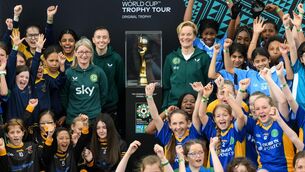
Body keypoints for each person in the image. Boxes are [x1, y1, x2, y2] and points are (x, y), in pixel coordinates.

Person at [146, 82, 202, 169]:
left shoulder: (193, 134)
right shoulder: (167, 136)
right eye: (174, 124)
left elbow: (195, 115)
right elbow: (156, 117)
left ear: (189, 123)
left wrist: (200, 93)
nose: (178, 127)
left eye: (181, 123)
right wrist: (149, 96)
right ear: (169, 125)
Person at [162, 21, 210, 109]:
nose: (185, 37)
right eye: (182, 34)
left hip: (197, 105)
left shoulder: (204, 57)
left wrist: (206, 104)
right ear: (178, 36)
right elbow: (166, 86)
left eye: (189, 34)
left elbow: (208, 85)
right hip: (175, 105)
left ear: (194, 37)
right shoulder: (170, 58)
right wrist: (166, 106)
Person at [198, 82, 246, 169]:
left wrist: (229, 98)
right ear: (214, 119)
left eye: (225, 115)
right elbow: (201, 115)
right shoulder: (213, 130)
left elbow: (241, 116)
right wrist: (205, 96)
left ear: (231, 117)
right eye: (218, 116)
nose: (222, 118)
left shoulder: (235, 129)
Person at [61, 37, 108, 125]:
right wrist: (72, 110)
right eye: (81, 52)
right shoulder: (69, 72)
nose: (84, 55)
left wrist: (94, 110)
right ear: (75, 53)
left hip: (94, 118)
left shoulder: (99, 72)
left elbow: (104, 95)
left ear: (91, 54)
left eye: (87, 52)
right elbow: (64, 95)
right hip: (74, 118)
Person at [6, 30, 45, 123]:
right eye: (21, 77)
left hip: (28, 126)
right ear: (15, 77)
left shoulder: (30, 86)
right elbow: (11, 66)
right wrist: (15, 47)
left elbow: (35, 66)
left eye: (27, 77)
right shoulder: (12, 86)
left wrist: (38, 49)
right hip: (13, 126)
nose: (24, 79)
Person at [92, 27, 124, 126]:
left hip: (110, 105)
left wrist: (112, 96)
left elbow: (120, 83)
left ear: (109, 40)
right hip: (91, 104)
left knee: (110, 135)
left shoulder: (116, 58)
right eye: (98, 37)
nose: (101, 40)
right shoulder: (88, 57)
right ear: (93, 40)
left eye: (104, 37)